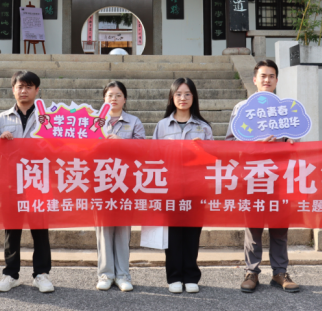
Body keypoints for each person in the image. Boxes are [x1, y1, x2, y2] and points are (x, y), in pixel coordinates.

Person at [226, 59, 300, 294]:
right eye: (263, 76)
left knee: (280, 225)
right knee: (253, 225)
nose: (267, 80)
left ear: (277, 80)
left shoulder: (286, 109)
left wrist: (292, 141)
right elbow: (230, 143)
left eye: (271, 76)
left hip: (280, 175)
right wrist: (253, 144)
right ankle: (252, 272)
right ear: (255, 80)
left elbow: (296, 139)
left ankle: (280, 272)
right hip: (253, 175)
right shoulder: (242, 108)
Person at [0, 70, 55, 294]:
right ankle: (11, 274)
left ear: (37, 90)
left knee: (40, 228)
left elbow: (60, 146)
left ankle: (41, 274)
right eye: (20, 86)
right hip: (10, 181)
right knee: (12, 229)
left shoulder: (48, 118)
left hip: (38, 179)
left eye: (29, 86)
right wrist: (0, 142)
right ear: (13, 89)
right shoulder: (1, 119)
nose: (24, 91)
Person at [152, 78, 213, 294]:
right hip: (170, 188)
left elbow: (212, 158)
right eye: (178, 94)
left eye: (187, 94)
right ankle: (174, 276)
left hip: (196, 188)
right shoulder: (162, 126)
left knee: (192, 234)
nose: (183, 98)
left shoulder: (203, 127)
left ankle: (191, 275)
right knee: (173, 234)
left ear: (194, 97)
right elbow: (154, 157)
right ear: (172, 97)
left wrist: (202, 151)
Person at [95, 81, 145, 292]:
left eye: (118, 95)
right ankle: (105, 275)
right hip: (101, 182)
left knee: (123, 229)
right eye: (109, 95)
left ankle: (123, 275)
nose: (113, 98)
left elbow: (143, 151)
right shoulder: (95, 122)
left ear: (125, 99)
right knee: (104, 229)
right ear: (104, 99)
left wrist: (121, 143)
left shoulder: (134, 122)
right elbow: (83, 148)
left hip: (125, 183)